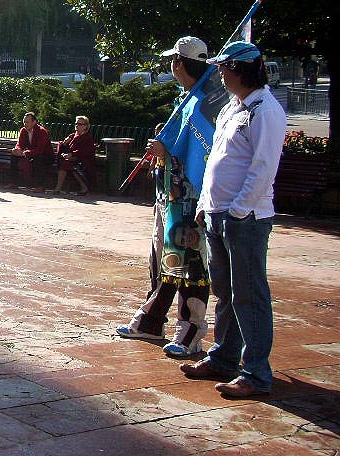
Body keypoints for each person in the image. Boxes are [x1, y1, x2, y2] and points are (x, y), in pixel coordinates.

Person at [179, 41, 286, 399]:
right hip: (217, 212)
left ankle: (256, 372)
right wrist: (207, 203)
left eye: (224, 68)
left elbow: (262, 169)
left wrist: (238, 210)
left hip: (245, 217)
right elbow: (217, 160)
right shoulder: (233, 107)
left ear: (239, 70)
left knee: (249, 295)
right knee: (225, 291)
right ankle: (224, 357)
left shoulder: (265, 111)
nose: (220, 73)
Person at [117, 36, 216, 356]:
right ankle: (152, 319)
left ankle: (191, 329)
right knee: (162, 259)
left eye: (175, 60)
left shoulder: (204, 103)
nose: (172, 66)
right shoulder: (184, 100)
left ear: (183, 63)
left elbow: (203, 150)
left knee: (190, 264)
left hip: (189, 200)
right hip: (168, 197)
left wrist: (166, 150)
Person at [52, 115, 96, 194]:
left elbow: (85, 151)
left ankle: (84, 187)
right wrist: (63, 144)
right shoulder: (72, 136)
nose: (77, 126)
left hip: (83, 161)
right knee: (64, 162)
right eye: (76, 123)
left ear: (85, 126)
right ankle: (58, 188)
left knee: (69, 165)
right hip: (72, 159)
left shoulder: (87, 138)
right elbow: (62, 148)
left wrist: (72, 154)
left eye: (80, 124)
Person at [12, 112, 53, 187]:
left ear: (34, 122)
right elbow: (20, 144)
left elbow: (40, 150)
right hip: (31, 154)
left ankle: (39, 186)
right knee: (14, 156)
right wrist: (17, 150)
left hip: (46, 155)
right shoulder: (23, 130)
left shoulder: (41, 131)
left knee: (38, 159)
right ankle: (14, 183)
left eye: (27, 122)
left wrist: (25, 153)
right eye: (24, 122)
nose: (25, 124)